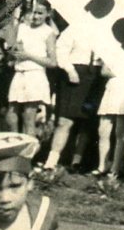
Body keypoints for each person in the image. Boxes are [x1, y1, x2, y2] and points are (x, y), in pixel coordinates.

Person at [41, 20, 104, 179]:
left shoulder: (106, 32)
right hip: (75, 74)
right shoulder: (74, 29)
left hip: (96, 76)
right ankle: (51, 162)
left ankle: (76, 162)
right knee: (65, 121)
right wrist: (70, 70)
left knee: (87, 122)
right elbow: (61, 51)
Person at [6, 0, 57, 136]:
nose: (35, 16)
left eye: (40, 13)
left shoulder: (48, 32)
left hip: (35, 75)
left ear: (47, 14)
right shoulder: (22, 27)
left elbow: (52, 62)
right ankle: (15, 143)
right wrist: (14, 51)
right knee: (11, 113)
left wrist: (28, 56)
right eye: (33, 12)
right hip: (19, 73)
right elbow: (12, 49)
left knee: (29, 118)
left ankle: (29, 148)